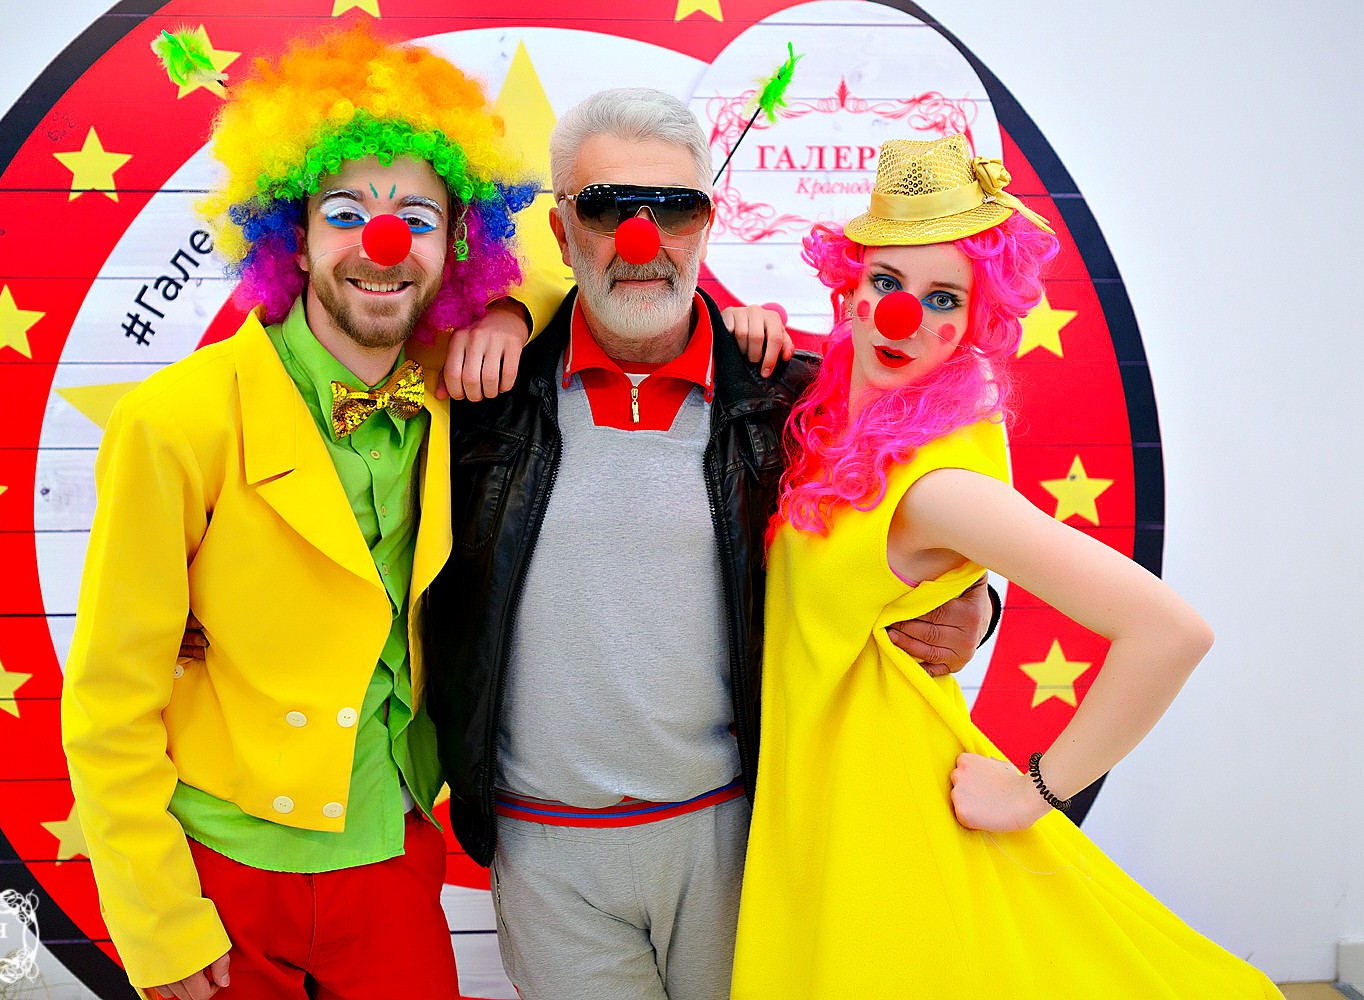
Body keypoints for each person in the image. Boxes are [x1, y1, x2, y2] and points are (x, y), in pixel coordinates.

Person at [423, 90, 995, 1000]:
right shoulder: (476, 399)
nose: (641, 239)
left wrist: (972, 607)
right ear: (562, 232)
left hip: (740, 837)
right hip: (549, 859)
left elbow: (897, 528)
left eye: (674, 207)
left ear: (708, 224)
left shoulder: (789, 402)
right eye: (607, 207)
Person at [61, 24, 555, 1000]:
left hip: (391, 845)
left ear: (459, 243)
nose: (383, 244)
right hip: (225, 860)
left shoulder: (451, 386)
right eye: (346, 212)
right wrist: (158, 919)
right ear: (293, 235)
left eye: (418, 217)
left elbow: (573, 281)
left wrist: (508, 310)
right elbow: (110, 698)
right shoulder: (177, 420)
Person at [729, 133, 1282, 998]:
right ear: (852, 286)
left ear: (974, 319)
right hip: (822, 810)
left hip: (893, 820)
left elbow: (1170, 632)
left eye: (942, 298)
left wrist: (1035, 790)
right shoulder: (836, 427)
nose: (905, 317)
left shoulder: (940, 485)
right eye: (888, 283)